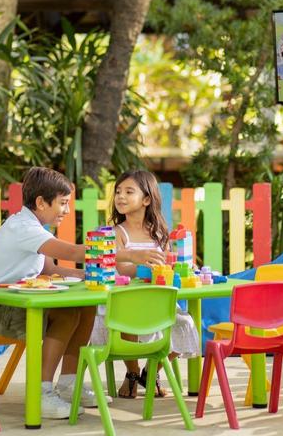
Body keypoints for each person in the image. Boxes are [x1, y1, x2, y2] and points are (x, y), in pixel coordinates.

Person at [0, 167, 165, 419]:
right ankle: (41, 393)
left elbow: (47, 267)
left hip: (16, 302)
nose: (66, 210)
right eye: (63, 203)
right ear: (41, 202)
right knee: (65, 315)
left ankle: (68, 383)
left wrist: (82, 275)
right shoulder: (23, 228)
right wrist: (130, 254)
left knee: (85, 306)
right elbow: (75, 252)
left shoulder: (34, 227)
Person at [89, 169, 200, 398]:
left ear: (147, 199)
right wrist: (141, 268)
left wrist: (173, 269)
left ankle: (151, 372)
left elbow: (168, 264)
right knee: (128, 324)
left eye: (129, 191)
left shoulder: (159, 233)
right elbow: (118, 266)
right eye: (118, 191)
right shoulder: (116, 233)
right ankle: (132, 373)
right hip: (126, 300)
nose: (120, 196)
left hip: (158, 301)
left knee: (185, 324)